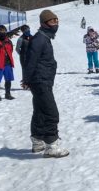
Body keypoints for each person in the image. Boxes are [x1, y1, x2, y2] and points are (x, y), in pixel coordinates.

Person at [23, 10, 69, 158]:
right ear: (44, 23)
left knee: (40, 111)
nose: (56, 24)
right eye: (52, 21)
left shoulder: (44, 37)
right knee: (51, 112)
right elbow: (30, 61)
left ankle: (37, 141)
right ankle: (51, 145)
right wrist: (27, 80)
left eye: (57, 21)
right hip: (40, 81)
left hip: (43, 80)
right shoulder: (39, 40)